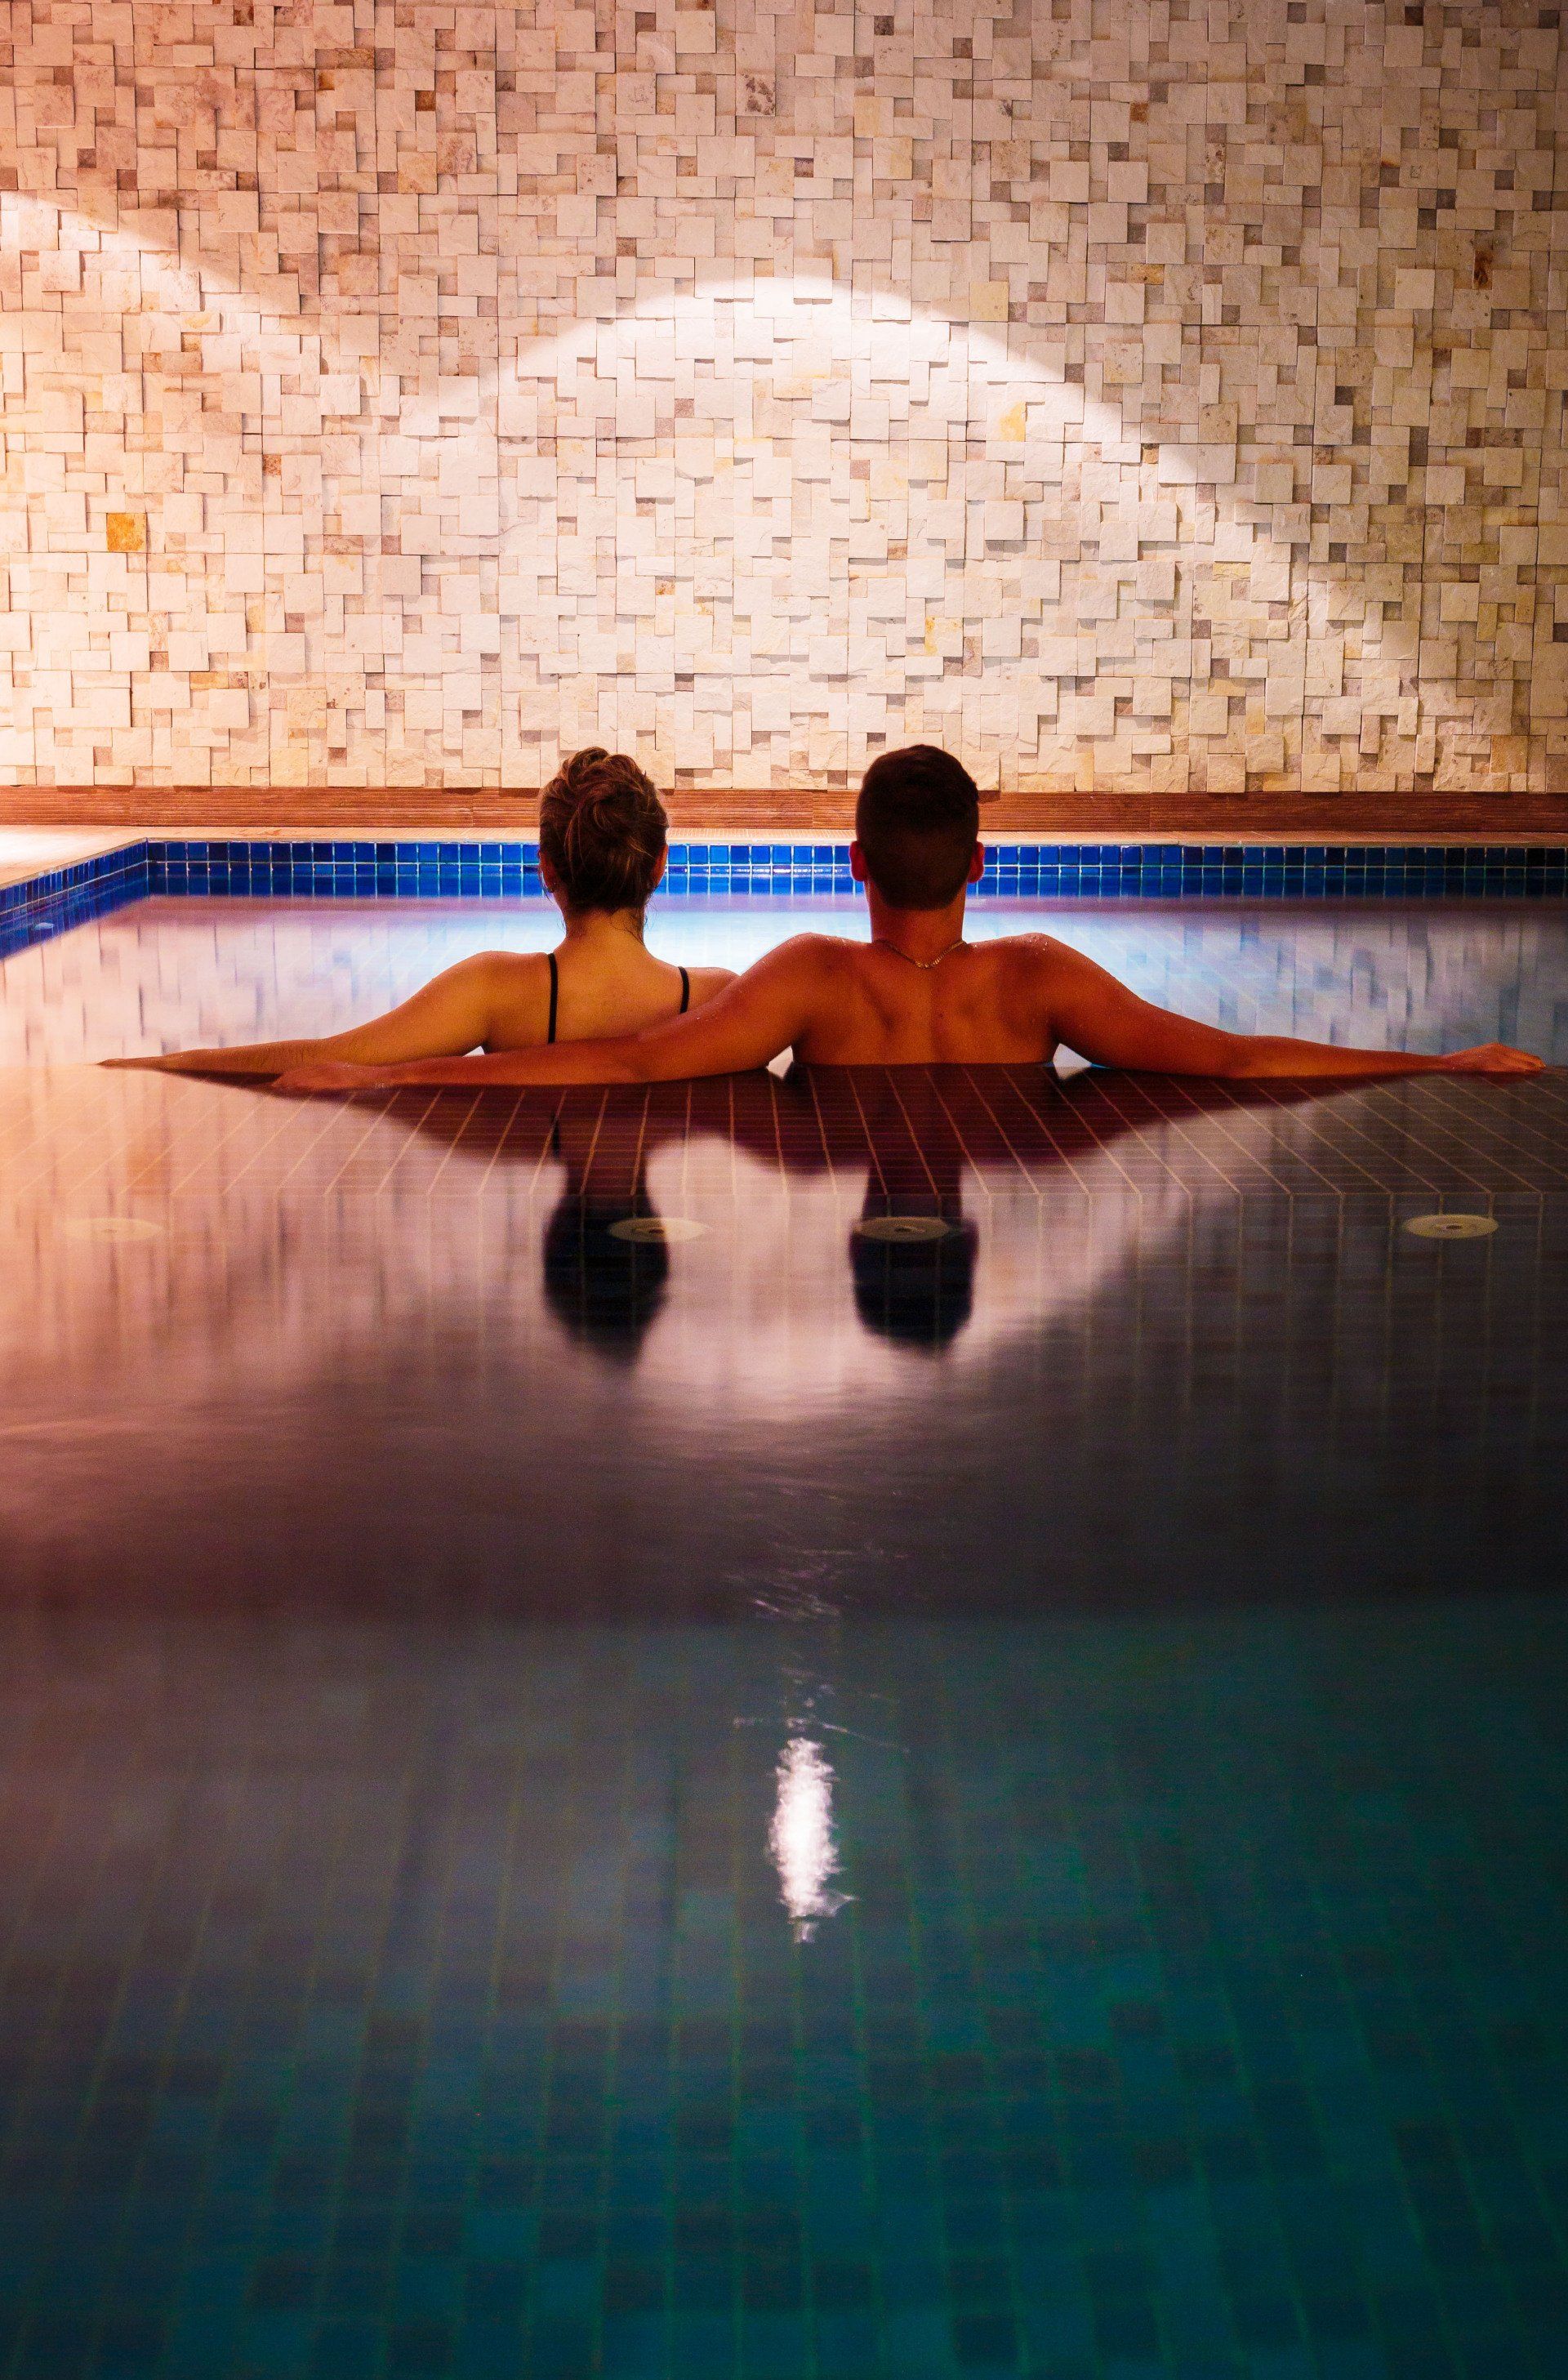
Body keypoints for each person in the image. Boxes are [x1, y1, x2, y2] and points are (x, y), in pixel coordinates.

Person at [273, 746, 1544, 1094]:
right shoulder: (1038, 982)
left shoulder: (814, 980)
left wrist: (403, 1081)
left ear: (852, 861)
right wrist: (1439, 1056)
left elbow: (630, 1060)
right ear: (981, 861)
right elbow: (1231, 1055)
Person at [108, 748, 734, 1076]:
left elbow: (335, 1056)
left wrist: (172, 1064)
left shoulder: (496, 991)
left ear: (547, 869)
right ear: (659, 865)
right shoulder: (720, 1001)